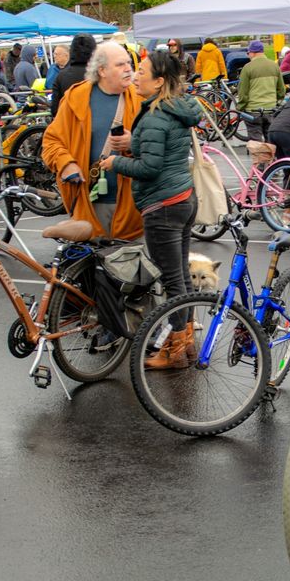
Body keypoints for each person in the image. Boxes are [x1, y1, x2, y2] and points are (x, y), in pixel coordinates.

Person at [97, 51, 201, 369]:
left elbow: (150, 167)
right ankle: (185, 342)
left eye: (141, 71)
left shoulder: (156, 115)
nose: (135, 75)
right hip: (182, 198)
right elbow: (164, 152)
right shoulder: (174, 108)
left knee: (173, 281)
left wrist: (116, 162)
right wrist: (134, 143)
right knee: (180, 275)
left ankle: (176, 348)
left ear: (159, 81)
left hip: (164, 206)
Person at [40, 41, 143, 242]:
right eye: (120, 64)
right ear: (102, 70)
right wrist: (66, 164)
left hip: (134, 207)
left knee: (130, 268)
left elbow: (161, 147)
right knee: (91, 268)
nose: (128, 69)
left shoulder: (141, 98)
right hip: (90, 203)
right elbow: (51, 141)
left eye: (129, 63)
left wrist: (134, 143)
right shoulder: (75, 98)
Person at [237, 40, 285, 141]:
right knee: (270, 141)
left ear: (253, 52)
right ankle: (271, 156)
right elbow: (281, 89)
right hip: (270, 109)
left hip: (253, 110)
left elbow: (243, 91)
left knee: (256, 143)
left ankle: (260, 156)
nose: (248, 55)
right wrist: (277, 101)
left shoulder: (247, 68)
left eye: (248, 53)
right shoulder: (274, 66)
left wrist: (240, 107)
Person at [49, 34, 97, 117]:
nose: (55, 57)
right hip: (96, 123)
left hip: (69, 124)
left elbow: (55, 109)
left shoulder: (61, 76)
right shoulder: (101, 74)